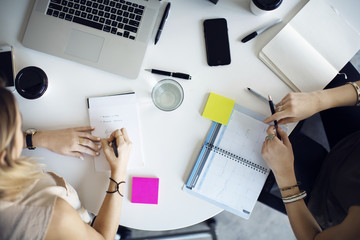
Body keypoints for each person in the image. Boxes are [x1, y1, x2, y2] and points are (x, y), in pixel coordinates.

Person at [0, 83, 133, 239]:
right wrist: (119, 171)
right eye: (18, 126)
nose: (21, 130)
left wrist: (38, 138)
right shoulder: (53, 216)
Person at [261, 79, 360, 240]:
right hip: (354, 141)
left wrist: (285, 175)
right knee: (325, 75)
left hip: (329, 196)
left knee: (258, 163)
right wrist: (318, 99)